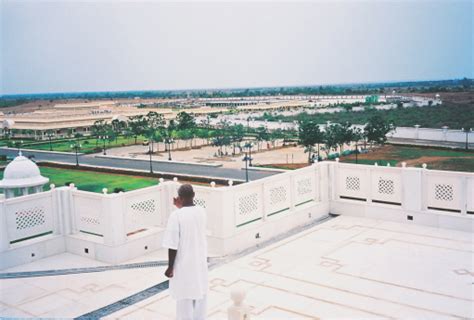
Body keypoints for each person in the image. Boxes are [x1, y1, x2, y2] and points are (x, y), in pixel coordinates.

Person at [162, 184, 208, 320]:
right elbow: (189, 216)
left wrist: (170, 267)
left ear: (179, 198)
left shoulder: (176, 216)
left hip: (184, 265)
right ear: (194, 195)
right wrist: (181, 206)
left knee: (184, 300)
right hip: (199, 263)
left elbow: (172, 245)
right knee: (200, 296)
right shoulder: (201, 211)